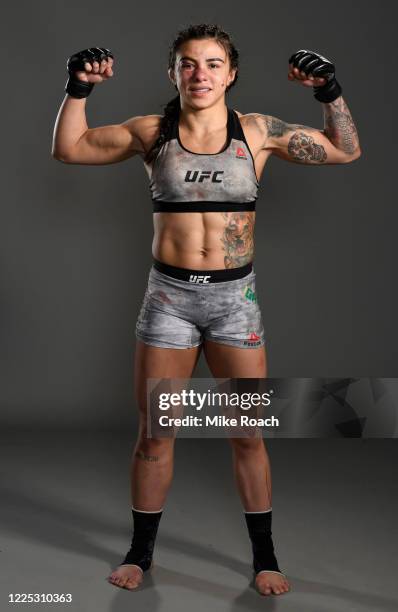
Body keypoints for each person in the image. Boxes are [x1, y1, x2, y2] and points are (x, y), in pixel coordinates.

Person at [52, 24, 361, 597]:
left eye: (213, 64)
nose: (200, 75)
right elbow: (69, 148)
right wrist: (76, 88)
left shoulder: (258, 132)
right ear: (173, 72)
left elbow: (345, 149)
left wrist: (329, 91)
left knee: (246, 434)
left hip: (233, 304)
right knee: (155, 433)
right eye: (189, 64)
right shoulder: (152, 132)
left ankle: (264, 557)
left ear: (232, 73)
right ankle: (140, 553)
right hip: (168, 299)